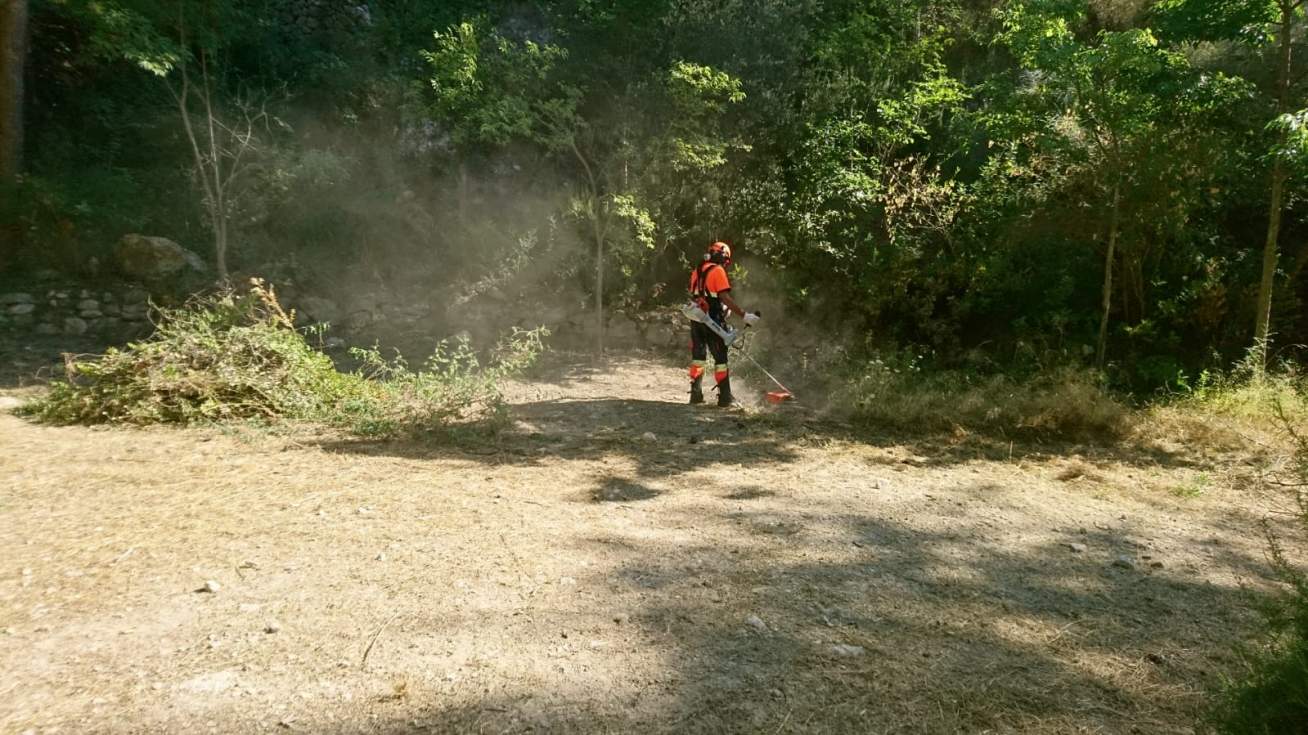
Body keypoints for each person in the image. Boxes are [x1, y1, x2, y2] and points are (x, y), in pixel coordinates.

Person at [688, 241, 759, 406]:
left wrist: (723, 308)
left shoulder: (697, 271)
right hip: (712, 319)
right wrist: (744, 315)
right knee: (720, 359)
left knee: (698, 358)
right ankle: (725, 398)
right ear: (723, 257)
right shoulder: (717, 270)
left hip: (697, 318)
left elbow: (701, 295)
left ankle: (695, 395)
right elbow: (724, 297)